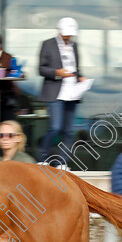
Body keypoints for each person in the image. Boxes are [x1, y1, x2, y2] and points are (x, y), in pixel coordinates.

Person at [38, 17, 85, 161]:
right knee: (56, 127)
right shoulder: (48, 44)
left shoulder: (74, 46)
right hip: (55, 92)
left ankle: (62, 162)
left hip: (72, 92)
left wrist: (81, 77)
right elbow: (41, 69)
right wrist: (57, 72)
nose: (68, 36)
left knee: (69, 131)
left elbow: (76, 69)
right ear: (59, 30)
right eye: (66, 33)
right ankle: (43, 159)